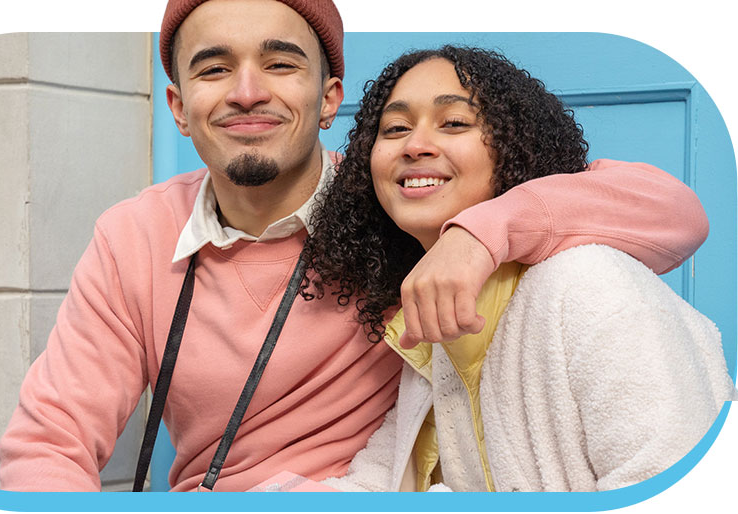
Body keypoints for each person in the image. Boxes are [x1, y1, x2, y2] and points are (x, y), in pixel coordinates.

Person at [0, 0, 710, 492]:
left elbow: (672, 211)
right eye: (215, 70)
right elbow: (48, 444)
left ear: (329, 95)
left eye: (280, 64)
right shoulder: (134, 236)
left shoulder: (397, 200)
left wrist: (479, 234)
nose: (249, 92)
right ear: (179, 107)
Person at [302, 45, 734, 492]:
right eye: (395, 128)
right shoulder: (430, 326)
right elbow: (376, 484)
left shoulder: (586, 287)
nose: (415, 145)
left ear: (514, 145)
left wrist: (477, 233)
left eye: (454, 123)